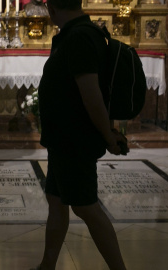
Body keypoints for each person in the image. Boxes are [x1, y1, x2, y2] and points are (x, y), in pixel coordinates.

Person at [32, 0, 127, 269]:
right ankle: (47, 265)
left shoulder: (79, 37)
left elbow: (92, 95)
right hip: (64, 140)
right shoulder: (76, 34)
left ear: (51, 8)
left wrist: (108, 135)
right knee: (57, 201)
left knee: (86, 207)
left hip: (75, 140)